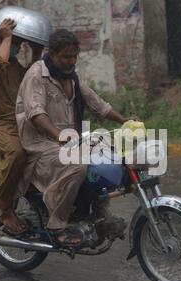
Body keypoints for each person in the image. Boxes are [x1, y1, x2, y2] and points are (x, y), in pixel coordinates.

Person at [16, 29, 135, 246]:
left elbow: (98, 105)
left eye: (74, 56)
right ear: (52, 54)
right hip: (39, 145)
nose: (72, 61)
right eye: (66, 57)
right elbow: (36, 113)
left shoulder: (71, 77)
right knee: (78, 166)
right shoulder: (36, 75)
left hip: (68, 141)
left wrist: (124, 120)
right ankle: (58, 224)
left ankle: (97, 212)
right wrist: (58, 135)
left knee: (107, 156)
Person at [0, 10, 51, 237]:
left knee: (52, 148)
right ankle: (4, 209)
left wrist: (37, 52)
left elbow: (29, 80)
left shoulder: (12, 62)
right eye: (17, 41)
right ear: (0, 36)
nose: (18, 47)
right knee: (16, 152)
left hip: (16, 121)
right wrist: (6, 38)